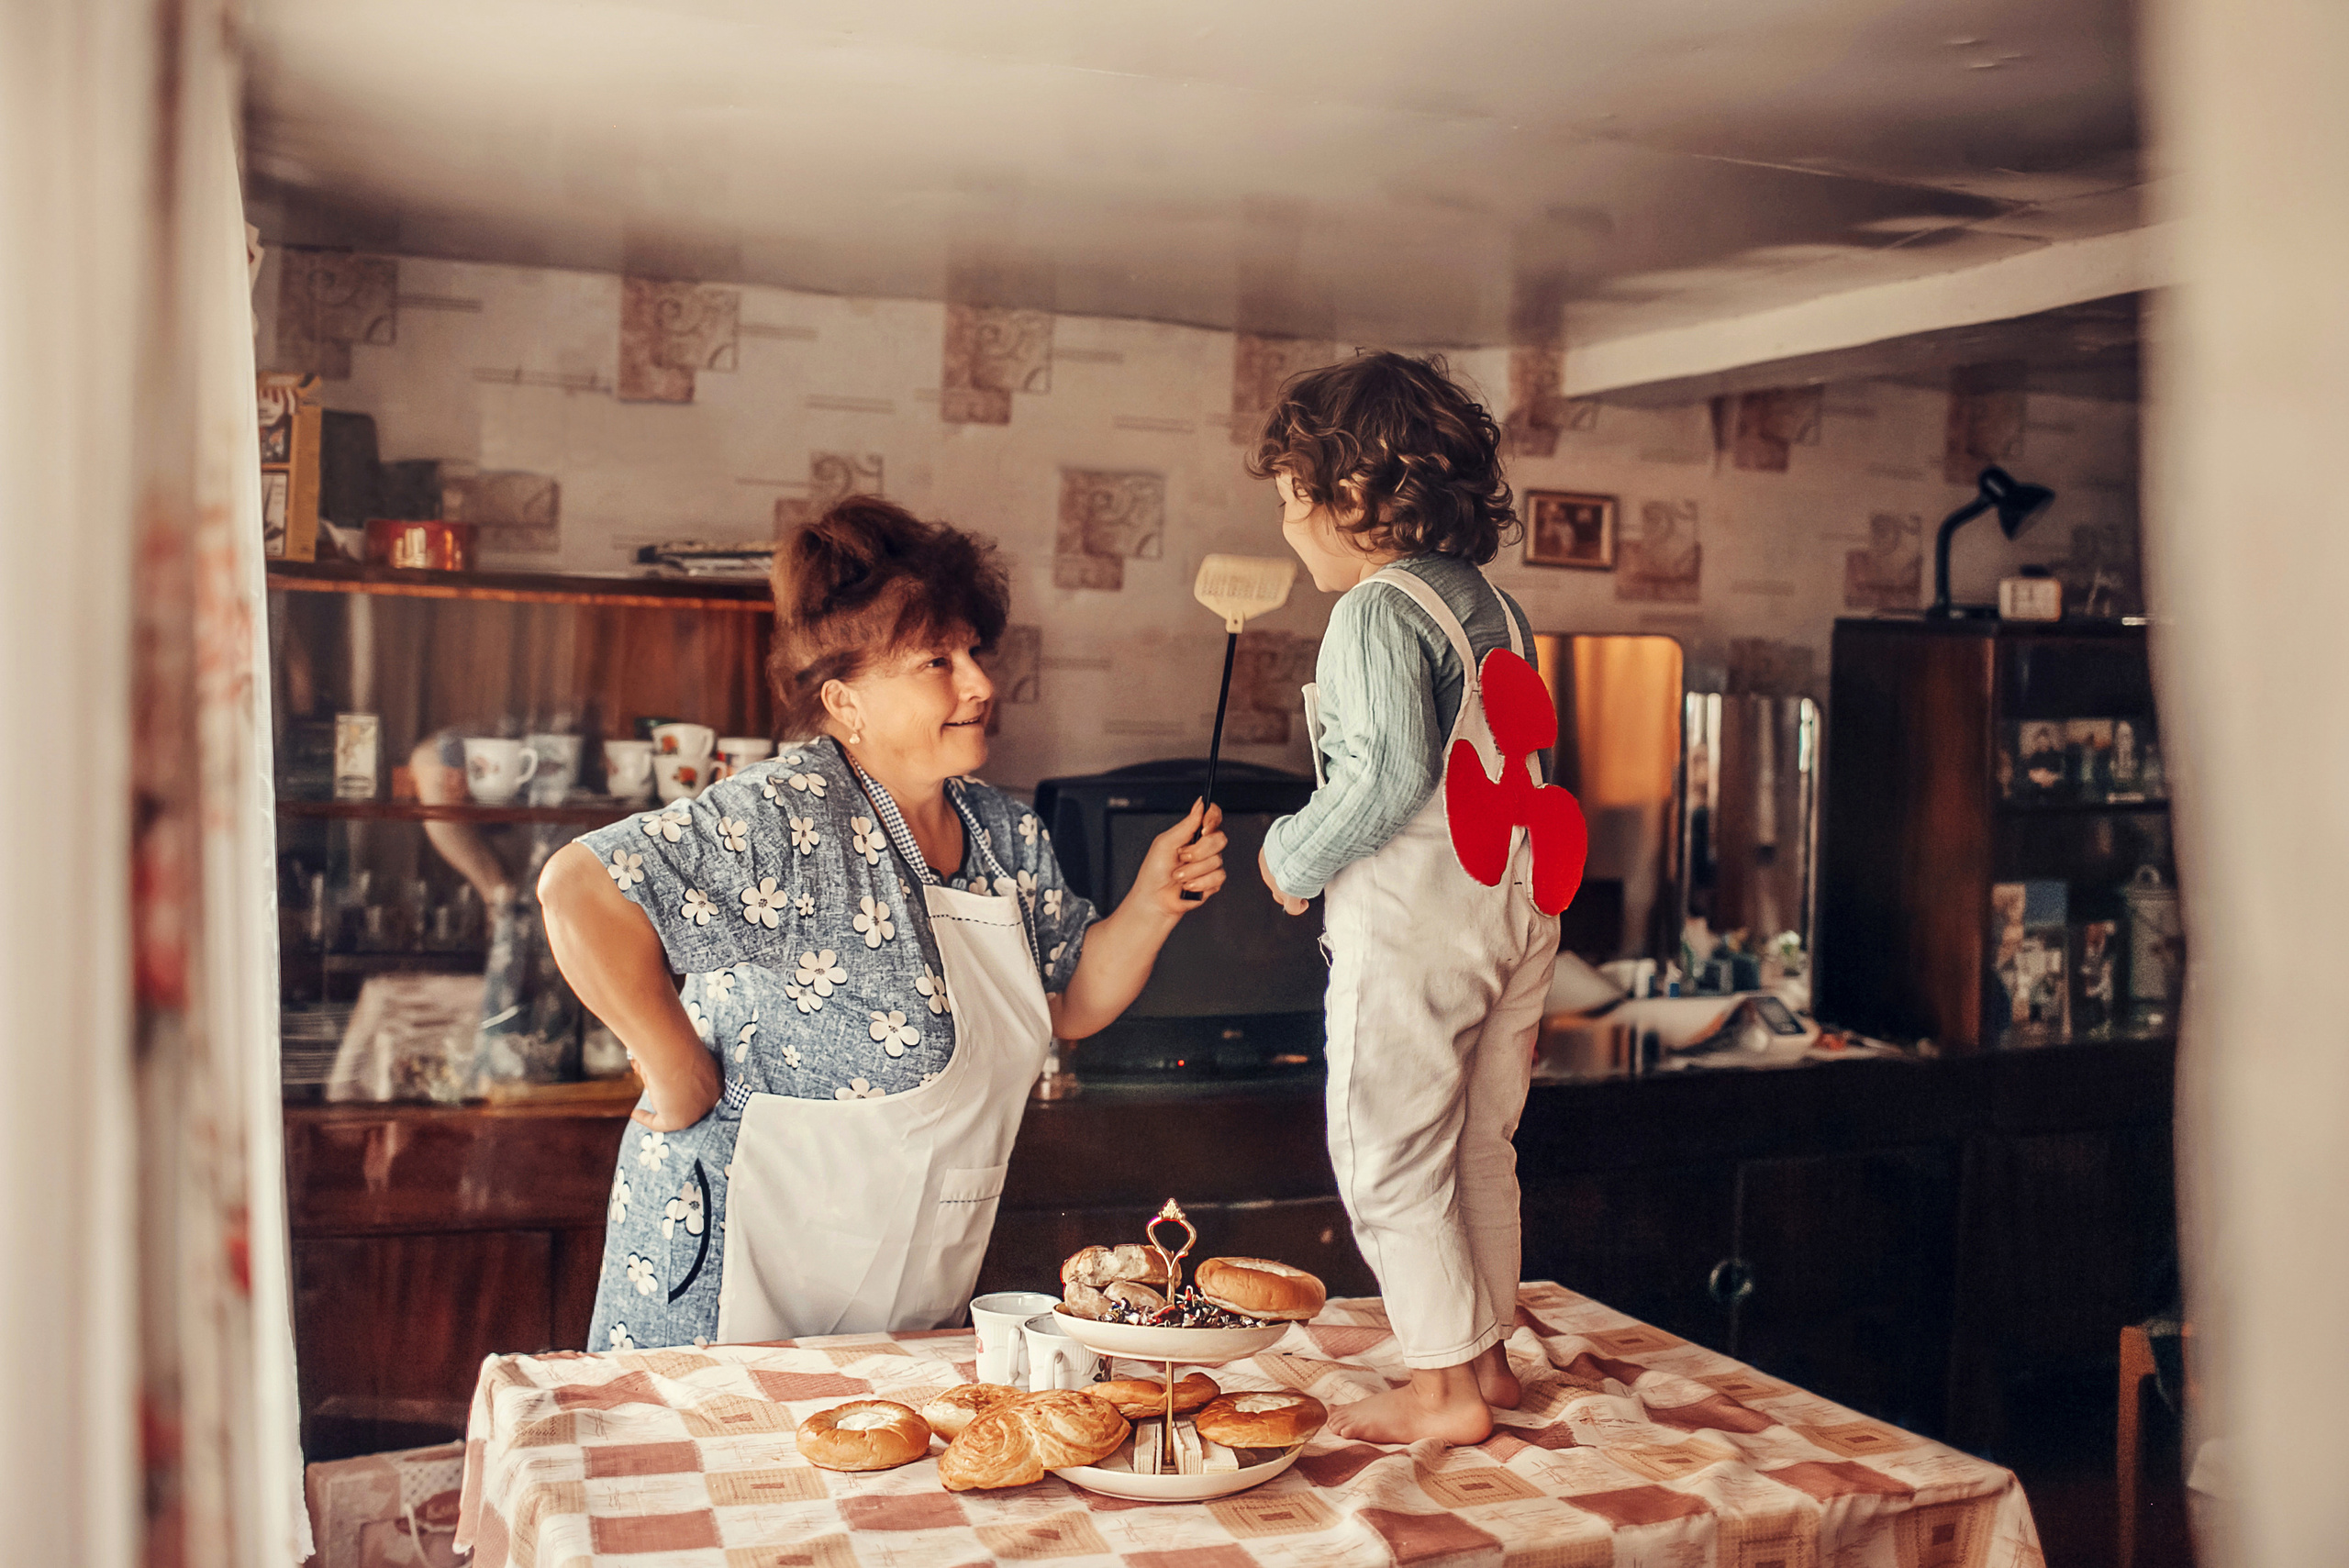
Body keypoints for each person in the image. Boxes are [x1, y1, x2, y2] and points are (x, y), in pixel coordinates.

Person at [537, 497, 1227, 1351]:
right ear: (844, 699)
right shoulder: (784, 818)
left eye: (973, 651)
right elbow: (580, 890)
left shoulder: (1004, 833)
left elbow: (1071, 1002)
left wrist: (1153, 901)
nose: (979, 682)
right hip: (729, 1284)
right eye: (937, 660)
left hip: (905, 1296)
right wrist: (678, 1071)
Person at [1251, 352, 1558, 1445]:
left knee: (1386, 1149)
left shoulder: (1375, 612)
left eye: (1292, 493)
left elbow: (1383, 776)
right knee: (1479, 1143)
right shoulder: (1495, 607)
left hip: (1422, 915)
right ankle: (1487, 1359)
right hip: (1513, 903)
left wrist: (1290, 856)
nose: (1285, 521)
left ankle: (1440, 1393)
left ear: (1350, 495)